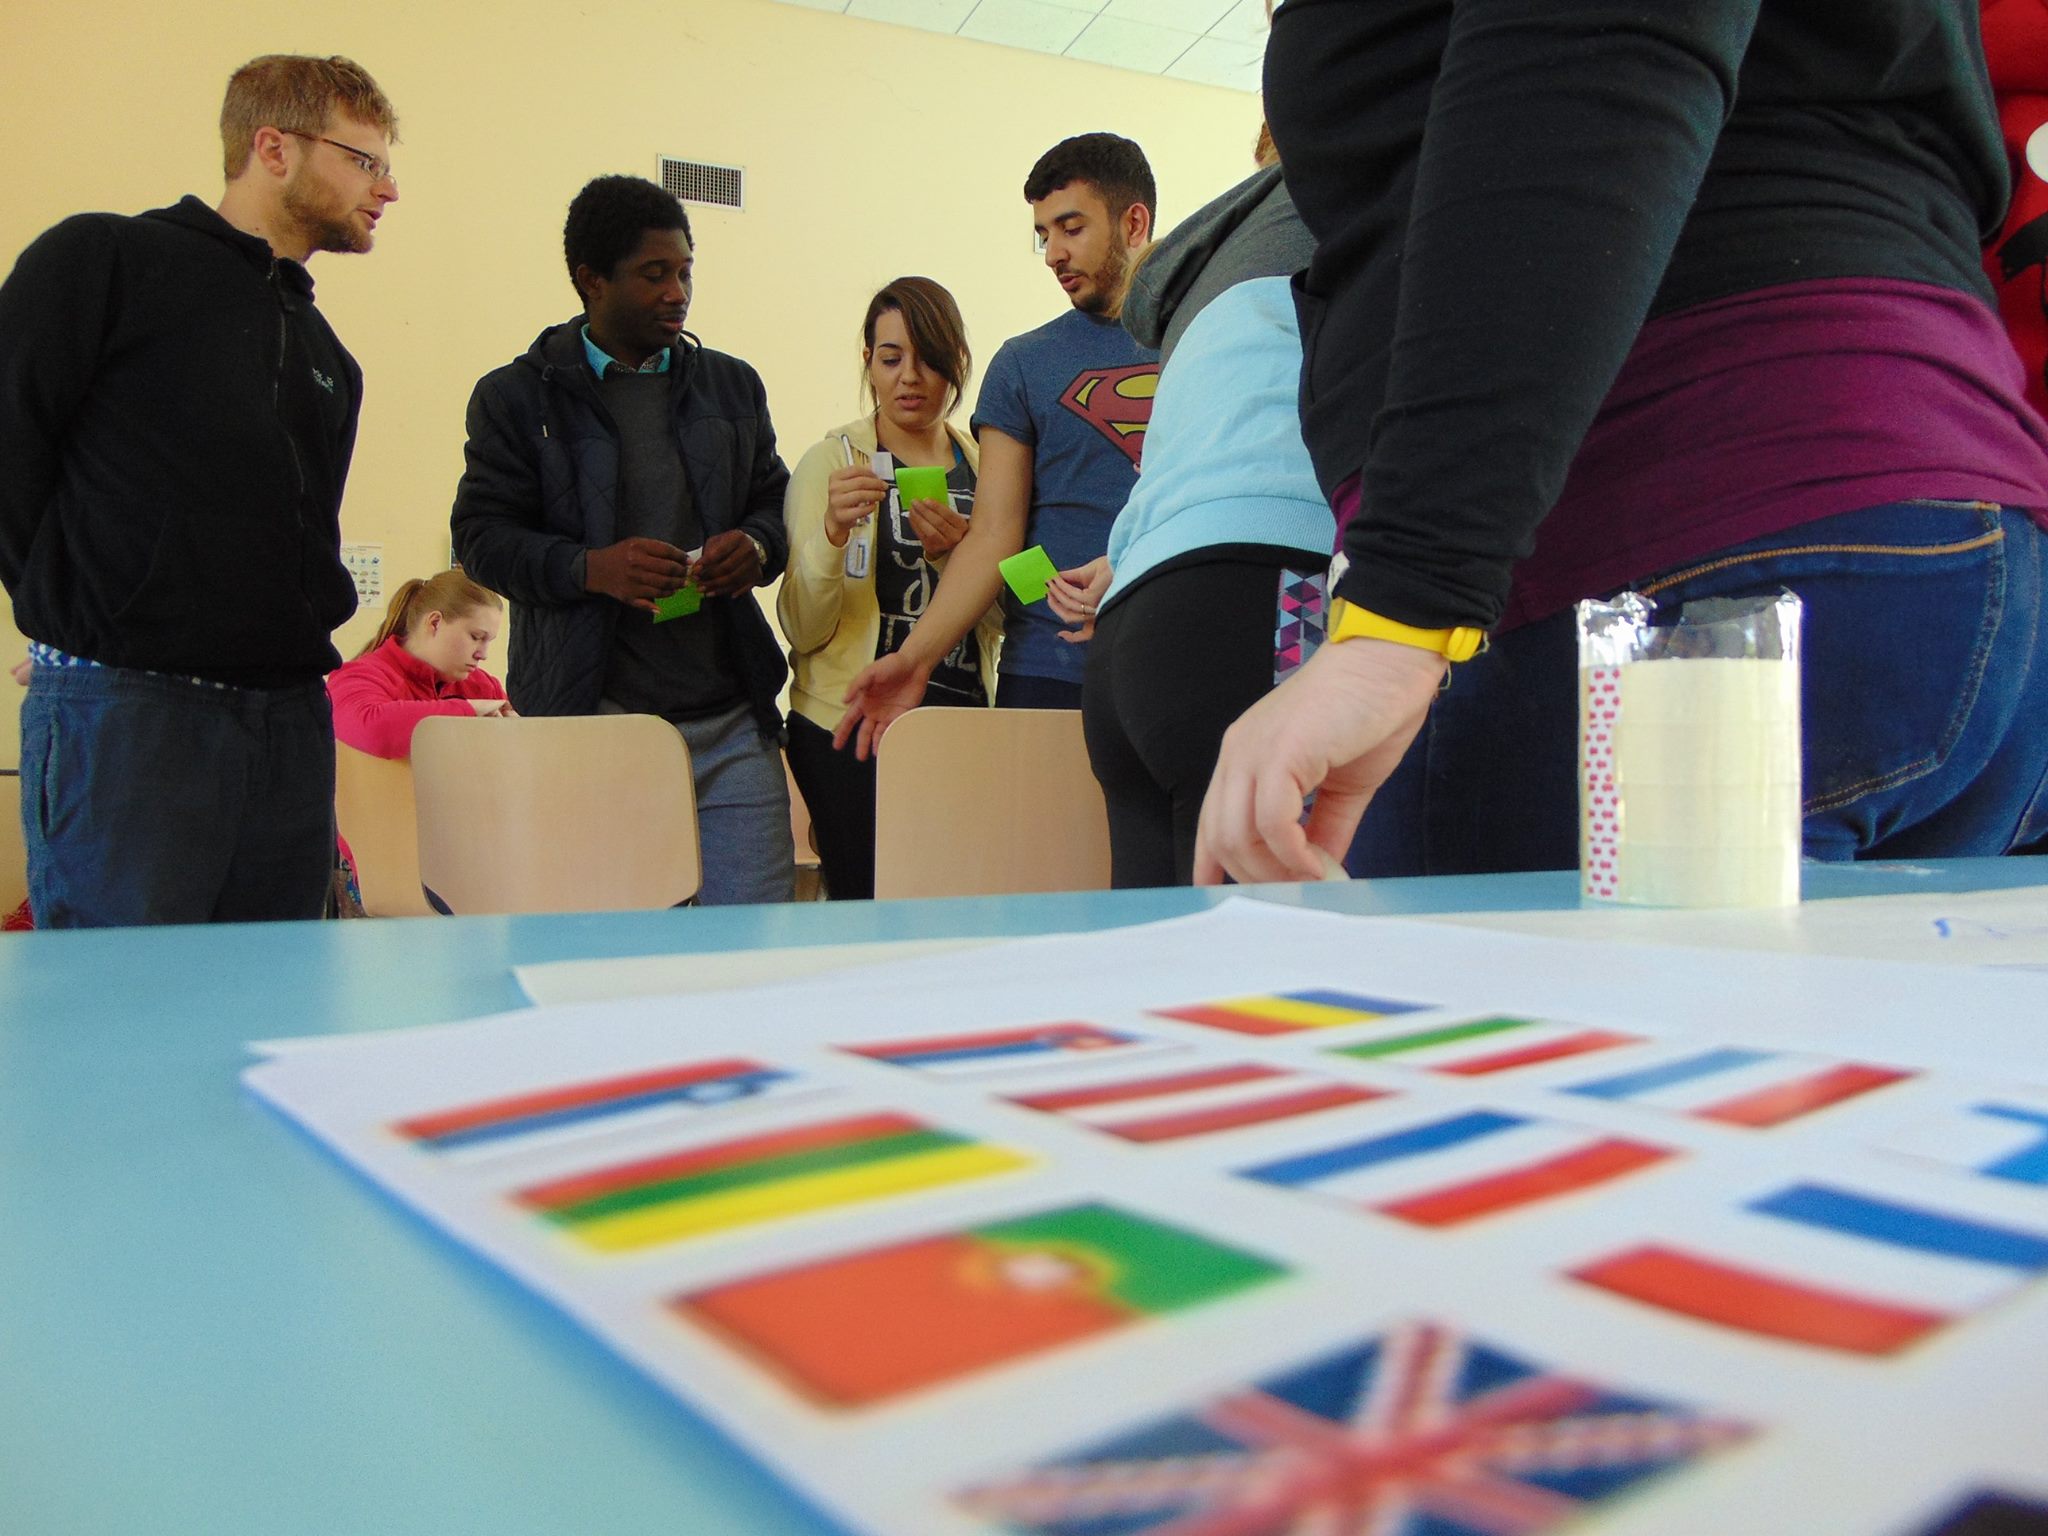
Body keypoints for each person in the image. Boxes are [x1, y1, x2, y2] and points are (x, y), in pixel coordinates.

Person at [1197, 0, 2048, 886]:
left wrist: (1407, 599)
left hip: (1666, 555)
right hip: (1963, 557)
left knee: (1483, 1019)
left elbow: (1606, 38)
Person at [0, 54, 400, 927]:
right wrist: (71, 614)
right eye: (364, 160)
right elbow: (11, 439)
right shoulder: (105, 259)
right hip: (132, 717)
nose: (389, 188)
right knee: (120, 1021)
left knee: (275, 1010)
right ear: (273, 148)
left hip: (290, 721)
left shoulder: (330, 357)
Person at [450, 175, 795, 906]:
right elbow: (480, 538)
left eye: (685, 271)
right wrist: (590, 569)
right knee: (614, 957)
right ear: (591, 280)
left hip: (732, 722)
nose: (679, 293)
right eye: (654, 274)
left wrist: (758, 546)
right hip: (595, 721)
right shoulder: (516, 398)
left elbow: (775, 499)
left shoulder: (732, 387)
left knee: (752, 953)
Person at [834, 133, 1159, 756]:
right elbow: (992, 534)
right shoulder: (1023, 363)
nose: (1052, 253)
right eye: (1043, 235)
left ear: (1134, 222)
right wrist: (915, 658)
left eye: (1071, 228)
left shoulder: (1200, 336)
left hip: (1170, 656)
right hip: (1048, 668)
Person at [1078, 135, 1330, 888]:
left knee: (1159, 967)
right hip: (1261, 590)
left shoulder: (1208, 266)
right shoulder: (1354, 197)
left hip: (1131, 632)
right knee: (1273, 956)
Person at [780, 278, 1000, 900]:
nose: (910, 377)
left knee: (951, 906)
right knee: (864, 906)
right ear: (868, 363)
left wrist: (964, 554)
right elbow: (802, 627)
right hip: (846, 726)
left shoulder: (986, 464)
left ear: (957, 363)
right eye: (891, 357)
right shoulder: (833, 462)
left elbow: (1013, 610)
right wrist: (830, 531)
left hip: (956, 724)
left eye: (929, 358)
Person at [328, 571, 513, 759]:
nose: (483, 655)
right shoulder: (359, 675)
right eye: (476, 637)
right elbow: (371, 730)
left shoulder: (482, 685)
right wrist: (469, 711)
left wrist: (520, 732)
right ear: (434, 623)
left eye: (488, 641)